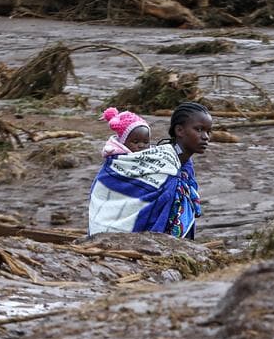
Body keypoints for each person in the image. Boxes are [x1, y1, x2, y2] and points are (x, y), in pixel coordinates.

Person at [88, 102, 211, 238]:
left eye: (208, 131)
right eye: (199, 129)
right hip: (121, 236)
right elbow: (109, 183)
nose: (206, 136)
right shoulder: (161, 162)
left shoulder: (184, 166)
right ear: (179, 130)